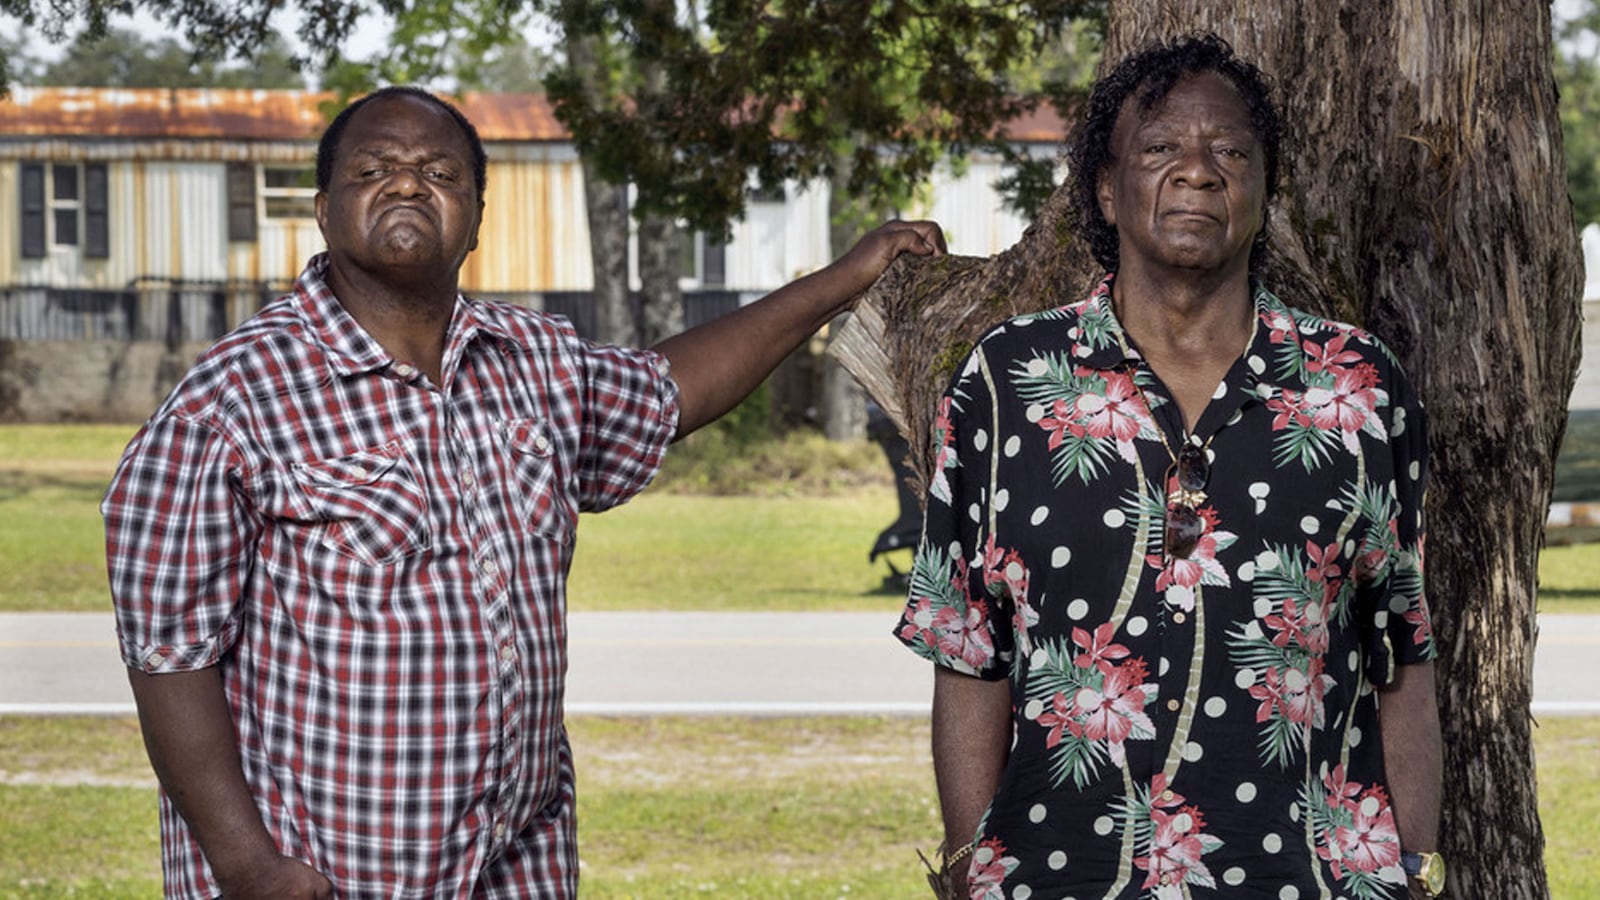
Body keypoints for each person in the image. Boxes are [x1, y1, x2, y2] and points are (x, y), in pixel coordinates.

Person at [103, 85, 944, 899]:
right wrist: (249, 869)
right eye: (372, 170)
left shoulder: (533, 360)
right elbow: (170, 658)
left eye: (439, 172)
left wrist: (847, 276)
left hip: (519, 858)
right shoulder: (234, 398)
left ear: (475, 216)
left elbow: (673, 388)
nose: (406, 183)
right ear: (323, 211)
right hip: (326, 870)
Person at [895, 35, 1445, 900]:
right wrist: (969, 869)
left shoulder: (1361, 386)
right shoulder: (1006, 381)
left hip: (1312, 880)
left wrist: (1412, 868)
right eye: (1159, 150)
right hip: (1059, 877)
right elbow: (968, 654)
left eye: (1230, 151)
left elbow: (1404, 657)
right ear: (1107, 192)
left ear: (1265, 191)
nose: (1198, 171)